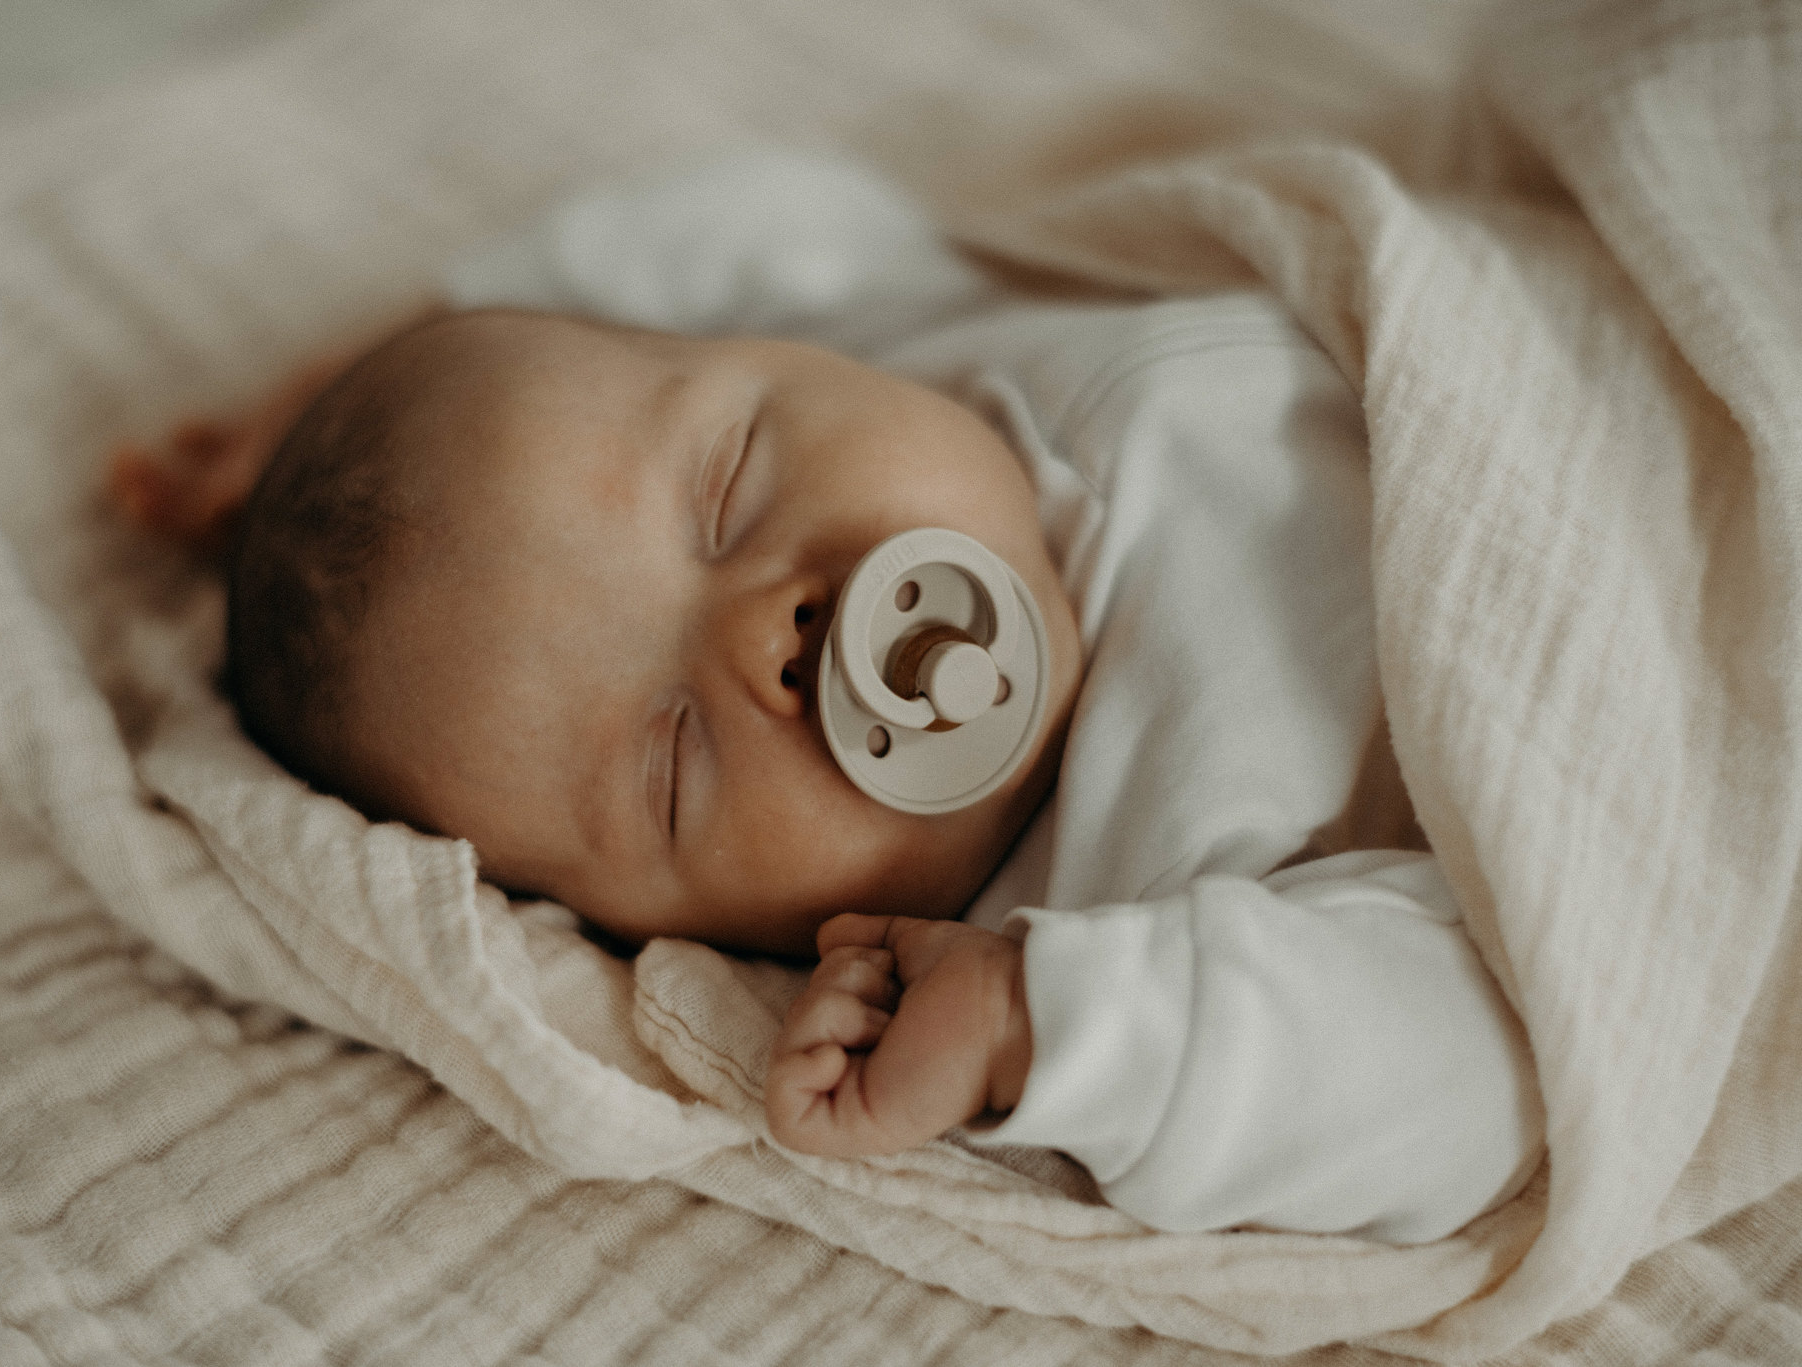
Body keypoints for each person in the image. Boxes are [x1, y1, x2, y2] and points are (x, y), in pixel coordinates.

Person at [120, 289, 1542, 1244]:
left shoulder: (915, 341)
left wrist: (385, 372)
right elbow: (1494, 1056)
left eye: (730, 483)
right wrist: (1047, 1031)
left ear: (766, 356)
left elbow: (743, 235)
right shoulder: (1124, 915)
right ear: (698, 940)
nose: (776, 641)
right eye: (672, 764)